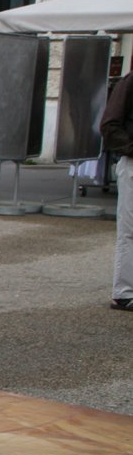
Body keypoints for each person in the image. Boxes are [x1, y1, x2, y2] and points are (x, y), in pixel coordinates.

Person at [103, 68, 133, 311]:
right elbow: (110, 125)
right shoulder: (130, 81)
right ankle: (123, 292)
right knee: (130, 229)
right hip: (132, 163)